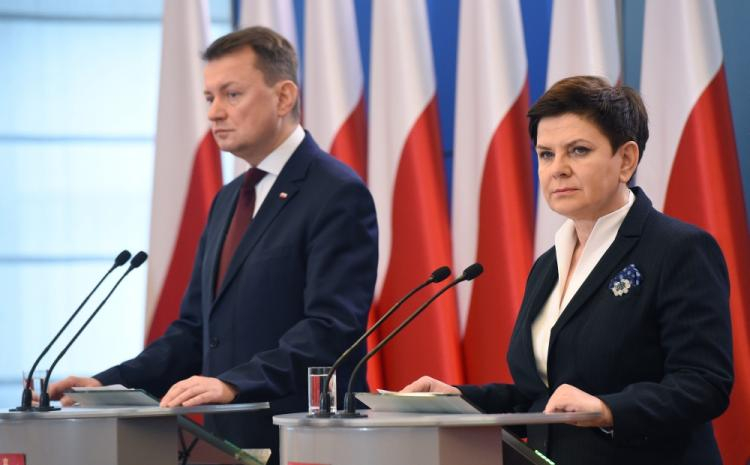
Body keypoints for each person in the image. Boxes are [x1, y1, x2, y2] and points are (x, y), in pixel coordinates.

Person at [49, 26, 378, 463]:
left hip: (307, 440)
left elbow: (332, 328)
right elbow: (194, 332)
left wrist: (235, 382)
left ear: (283, 97)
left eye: (232, 94)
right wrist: (112, 385)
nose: (215, 112)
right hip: (226, 442)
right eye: (209, 98)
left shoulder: (335, 192)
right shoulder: (229, 199)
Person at [402, 76, 733, 465]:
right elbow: (543, 397)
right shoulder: (548, 265)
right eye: (545, 154)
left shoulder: (677, 249)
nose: (557, 169)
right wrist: (456, 401)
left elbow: (704, 383)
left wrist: (609, 409)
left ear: (626, 159)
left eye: (577, 150)